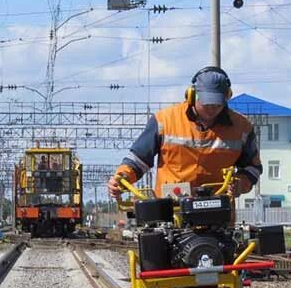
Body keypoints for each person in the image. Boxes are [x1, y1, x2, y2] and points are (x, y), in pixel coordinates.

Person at [107, 66, 262, 202]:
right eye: (207, 103)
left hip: (218, 212)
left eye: (217, 103)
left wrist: (240, 184)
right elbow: (138, 160)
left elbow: (253, 168)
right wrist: (122, 178)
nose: (212, 108)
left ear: (227, 97)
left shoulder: (242, 127)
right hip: (171, 210)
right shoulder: (164, 121)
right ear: (191, 96)